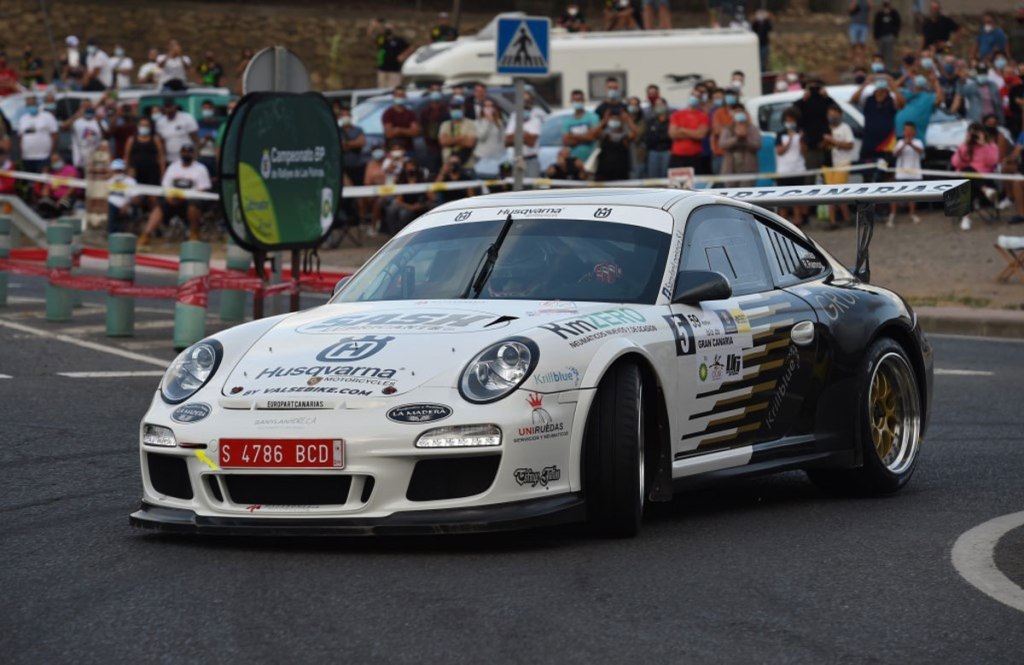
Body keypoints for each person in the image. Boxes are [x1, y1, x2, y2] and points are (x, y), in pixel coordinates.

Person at [139, 144, 211, 246]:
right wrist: (170, 196)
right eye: (184, 152)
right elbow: (165, 186)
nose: (186, 154)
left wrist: (185, 196)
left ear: (193, 154)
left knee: (194, 205)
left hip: (191, 200)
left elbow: (204, 188)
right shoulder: (173, 167)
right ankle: (146, 235)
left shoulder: (200, 168)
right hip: (173, 199)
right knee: (159, 207)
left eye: (189, 152)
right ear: (180, 153)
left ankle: (194, 232)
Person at [851, 74, 905, 182]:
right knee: (867, 173)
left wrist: (893, 86)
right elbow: (853, 100)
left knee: (886, 174)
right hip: (869, 143)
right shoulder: (869, 100)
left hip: (886, 144)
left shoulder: (891, 100)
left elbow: (902, 104)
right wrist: (865, 84)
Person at [951, 122, 999, 230]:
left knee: (968, 180)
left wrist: (984, 145)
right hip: (967, 178)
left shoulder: (991, 146)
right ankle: (985, 190)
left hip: (984, 178)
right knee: (968, 172)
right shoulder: (965, 146)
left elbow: (992, 163)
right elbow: (955, 163)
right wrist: (964, 144)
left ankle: (966, 217)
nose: (974, 136)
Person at [822, 104, 856, 227]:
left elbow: (850, 145)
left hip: (843, 163)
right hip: (828, 164)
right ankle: (833, 221)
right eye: (830, 115)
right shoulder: (825, 128)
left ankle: (847, 218)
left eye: (834, 115)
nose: (832, 117)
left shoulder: (845, 128)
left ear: (840, 115)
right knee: (829, 193)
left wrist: (833, 141)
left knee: (840, 191)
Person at [718, 105, 761, 187]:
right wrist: (736, 139)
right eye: (736, 112)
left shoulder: (753, 129)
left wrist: (745, 140)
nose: (739, 114)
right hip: (731, 169)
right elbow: (722, 144)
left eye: (741, 111)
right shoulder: (728, 129)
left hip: (748, 169)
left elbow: (757, 145)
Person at [891, 122, 924, 226]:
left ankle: (912, 214)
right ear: (903, 132)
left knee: (913, 195)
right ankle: (892, 214)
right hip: (901, 174)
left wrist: (911, 144)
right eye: (906, 130)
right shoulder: (900, 142)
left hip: (914, 173)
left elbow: (921, 152)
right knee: (896, 194)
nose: (908, 132)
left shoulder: (918, 142)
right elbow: (895, 153)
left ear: (914, 132)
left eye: (910, 130)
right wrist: (904, 144)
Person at [384, 160, 430, 235]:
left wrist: (421, 205)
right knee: (393, 209)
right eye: (408, 167)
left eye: (412, 166)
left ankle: (407, 234)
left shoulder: (422, 180)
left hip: (419, 205)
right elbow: (399, 200)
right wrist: (410, 207)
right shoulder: (401, 181)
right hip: (405, 204)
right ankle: (394, 234)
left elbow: (430, 197)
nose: (410, 169)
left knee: (404, 214)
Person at [124, 116, 166, 197]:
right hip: (135, 173)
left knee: (152, 196)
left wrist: (163, 174)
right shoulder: (131, 140)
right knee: (136, 196)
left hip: (152, 173)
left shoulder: (155, 139)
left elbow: (161, 157)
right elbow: (126, 157)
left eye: (146, 125)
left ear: (150, 127)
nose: (144, 127)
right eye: (142, 125)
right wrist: (126, 171)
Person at [17, 96, 59, 173]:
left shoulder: (47, 116)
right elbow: (20, 138)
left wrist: (52, 152)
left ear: (37, 104)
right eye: (29, 105)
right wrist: (21, 154)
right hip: (27, 157)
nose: (31, 107)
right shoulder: (23, 119)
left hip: (44, 156)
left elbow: (55, 136)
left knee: (43, 178)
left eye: (33, 104)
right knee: (30, 178)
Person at [668, 93, 708, 173]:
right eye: (692, 95)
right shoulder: (677, 114)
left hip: (695, 155)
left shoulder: (703, 116)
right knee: (677, 180)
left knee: (695, 180)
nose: (694, 98)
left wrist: (683, 130)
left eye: (697, 96)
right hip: (677, 155)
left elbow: (700, 135)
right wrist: (693, 133)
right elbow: (673, 134)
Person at [895, 73, 939, 145]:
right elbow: (893, 87)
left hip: (916, 138)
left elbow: (939, 99)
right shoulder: (905, 93)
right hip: (899, 135)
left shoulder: (928, 97)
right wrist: (905, 76)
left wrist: (935, 82)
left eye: (915, 84)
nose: (914, 86)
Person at [594, 108, 636, 182]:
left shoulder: (625, 137)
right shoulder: (605, 135)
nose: (614, 121)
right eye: (612, 119)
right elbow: (594, 133)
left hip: (621, 174)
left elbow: (635, 133)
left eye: (617, 119)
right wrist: (604, 120)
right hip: (604, 173)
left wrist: (628, 119)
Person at [369, 19, 413, 89]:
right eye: (386, 27)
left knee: (393, 88)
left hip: (394, 70)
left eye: (389, 27)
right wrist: (373, 27)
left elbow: (411, 48)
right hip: (382, 69)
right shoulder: (381, 38)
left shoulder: (398, 40)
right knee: (381, 89)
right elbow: (371, 37)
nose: (387, 29)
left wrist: (403, 56)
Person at [562, 89, 600, 168]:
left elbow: (592, 136)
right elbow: (566, 141)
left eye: (579, 100)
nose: (577, 102)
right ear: (571, 101)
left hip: (591, 159)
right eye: (575, 100)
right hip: (574, 160)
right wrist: (585, 136)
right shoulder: (568, 121)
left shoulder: (592, 117)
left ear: (583, 100)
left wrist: (572, 136)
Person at [504, 102, 543, 178]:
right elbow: (507, 142)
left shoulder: (535, 121)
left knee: (531, 183)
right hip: (517, 158)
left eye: (527, 109)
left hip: (531, 159)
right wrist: (525, 135)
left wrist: (516, 135)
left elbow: (531, 142)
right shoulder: (513, 120)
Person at [34, 153, 80, 219]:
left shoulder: (70, 170)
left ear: (61, 160)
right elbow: (46, 188)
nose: (55, 162)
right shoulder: (52, 174)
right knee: (43, 203)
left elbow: (72, 188)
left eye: (57, 160)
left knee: (62, 205)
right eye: (53, 161)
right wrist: (45, 192)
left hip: (67, 197)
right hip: (54, 198)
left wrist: (60, 200)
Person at [65, 100, 106, 170]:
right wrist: (76, 115)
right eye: (84, 107)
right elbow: (64, 127)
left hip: (94, 160)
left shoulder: (100, 122)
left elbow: (105, 138)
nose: (86, 108)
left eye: (88, 106)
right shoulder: (76, 122)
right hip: (79, 160)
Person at [418, 86, 450, 175]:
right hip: (431, 148)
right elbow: (421, 128)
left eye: (438, 91)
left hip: (446, 148)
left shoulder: (446, 111)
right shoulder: (425, 112)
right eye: (434, 91)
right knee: (433, 173)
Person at [437, 100, 476, 171]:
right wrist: (462, 138)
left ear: (463, 109)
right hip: (448, 164)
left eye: (458, 108)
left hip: (467, 164)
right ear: (449, 110)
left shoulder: (471, 123)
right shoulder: (445, 124)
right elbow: (443, 142)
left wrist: (451, 140)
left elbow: (470, 143)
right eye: (453, 108)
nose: (456, 110)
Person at [472, 98, 506, 177]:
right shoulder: (477, 122)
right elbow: (481, 137)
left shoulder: (499, 122)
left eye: (491, 106)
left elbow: (502, 139)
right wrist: (488, 122)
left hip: (497, 157)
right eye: (486, 106)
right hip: (482, 156)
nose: (488, 108)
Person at [382, 87, 421, 155]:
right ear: (394, 96)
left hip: (408, 149)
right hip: (392, 150)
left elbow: (415, 132)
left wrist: (399, 130)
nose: (400, 97)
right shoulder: (388, 113)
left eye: (402, 95)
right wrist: (407, 131)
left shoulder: (410, 113)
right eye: (398, 95)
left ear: (405, 97)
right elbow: (389, 133)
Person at [107, 159, 140, 234]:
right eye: (116, 170)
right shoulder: (109, 181)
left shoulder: (130, 181)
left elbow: (136, 199)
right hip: (109, 206)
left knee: (110, 209)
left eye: (119, 171)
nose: (117, 173)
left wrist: (127, 204)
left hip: (124, 207)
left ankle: (113, 234)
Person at [645, 97, 672, 179]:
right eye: (657, 105)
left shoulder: (670, 120)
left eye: (660, 104)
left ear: (665, 106)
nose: (658, 106)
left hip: (666, 151)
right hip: (654, 151)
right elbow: (648, 137)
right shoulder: (651, 121)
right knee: (653, 177)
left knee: (665, 175)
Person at [873, 0, 901, 73]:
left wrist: (895, 34)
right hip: (881, 37)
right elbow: (876, 25)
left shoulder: (894, 13)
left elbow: (898, 23)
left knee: (889, 55)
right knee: (880, 55)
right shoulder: (879, 13)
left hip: (890, 36)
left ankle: (888, 71)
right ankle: (879, 70)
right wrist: (875, 37)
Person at [196, 100, 220, 176]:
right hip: (202, 157)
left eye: (209, 108)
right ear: (201, 110)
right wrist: (205, 139)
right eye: (205, 109)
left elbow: (220, 143)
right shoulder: (198, 124)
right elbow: (195, 144)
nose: (207, 111)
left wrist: (212, 139)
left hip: (215, 157)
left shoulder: (219, 125)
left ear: (213, 109)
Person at [849, 0, 872, 66]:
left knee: (863, 44)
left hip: (864, 25)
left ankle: (862, 62)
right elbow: (850, 9)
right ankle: (852, 62)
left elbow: (870, 7)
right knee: (853, 44)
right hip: (854, 24)